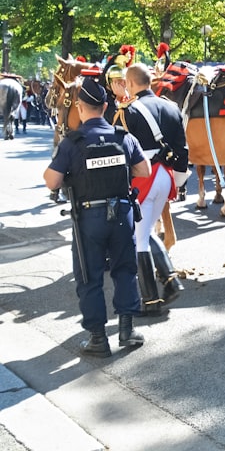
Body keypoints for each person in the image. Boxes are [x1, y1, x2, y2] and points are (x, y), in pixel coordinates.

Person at [43, 76, 150, 357]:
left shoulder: (73, 142)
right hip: (122, 214)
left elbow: (51, 181)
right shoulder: (122, 137)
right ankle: (127, 331)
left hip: (89, 219)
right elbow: (144, 170)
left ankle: (98, 339)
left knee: (89, 276)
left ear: (80, 108)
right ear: (105, 106)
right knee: (125, 270)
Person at [115, 62, 190, 315]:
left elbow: (122, 150)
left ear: (131, 83)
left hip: (143, 180)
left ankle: (151, 300)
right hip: (167, 176)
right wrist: (179, 181)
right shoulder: (171, 107)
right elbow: (182, 148)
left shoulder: (128, 110)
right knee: (144, 232)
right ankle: (169, 280)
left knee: (139, 240)